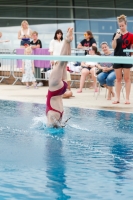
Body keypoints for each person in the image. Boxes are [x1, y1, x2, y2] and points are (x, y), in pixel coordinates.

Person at [46, 28, 73, 128]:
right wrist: (67, 42)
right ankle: (68, 41)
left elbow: (62, 60)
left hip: (56, 112)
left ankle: (67, 40)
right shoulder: (53, 42)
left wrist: (67, 41)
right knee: (64, 62)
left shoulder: (55, 78)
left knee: (63, 62)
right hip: (56, 110)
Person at [112, 14, 133, 104]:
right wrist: (115, 39)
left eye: (122, 26)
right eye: (120, 26)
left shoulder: (131, 35)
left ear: (126, 24)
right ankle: (117, 98)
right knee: (118, 79)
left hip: (126, 58)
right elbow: (113, 47)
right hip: (117, 57)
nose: (121, 27)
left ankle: (127, 98)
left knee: (127, 78)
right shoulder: (116, 34)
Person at [48, 29, 73, 98]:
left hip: (62, 58)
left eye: (60, 34)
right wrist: (52, 59)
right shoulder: (53, 41)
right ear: (56, 34)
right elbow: (51, 51)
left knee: (65, 73)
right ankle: (68, 37)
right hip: (56, 60)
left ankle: (67, 89)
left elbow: (66, 50)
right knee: (59, 75)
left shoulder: (62, 42)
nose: (59, 35)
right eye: (58, 34)